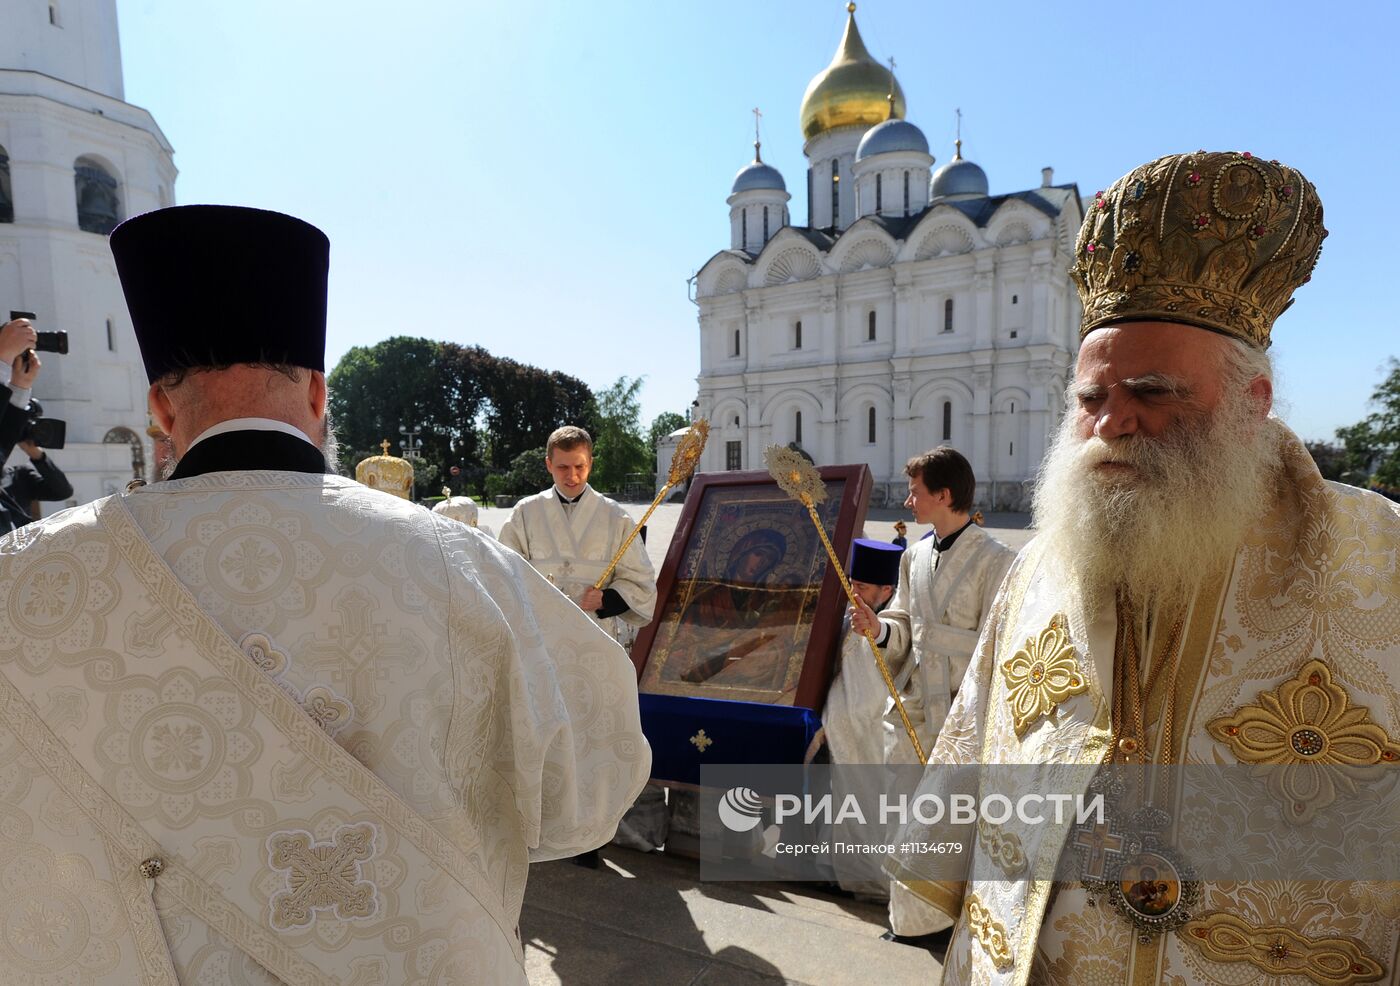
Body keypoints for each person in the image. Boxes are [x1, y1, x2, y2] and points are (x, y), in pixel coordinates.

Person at [0, 205, 650, 984]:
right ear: (317, 397)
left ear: (161, 410)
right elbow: (594, 788)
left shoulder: (25, 574)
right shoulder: (461, 563)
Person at [888, 152, 1400, 983]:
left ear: (1253, 400)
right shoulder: (1043, 564)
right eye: (1091, 399)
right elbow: (977, 740)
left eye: (1154, 392)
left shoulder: (1383, 563)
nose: (1112, 422)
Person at [849, 446, 1015, 939]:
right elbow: (903, 622)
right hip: (913, 704)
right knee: (902, 809)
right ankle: (908, 918)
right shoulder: (914, 556)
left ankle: (947, 920)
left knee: (949, 821)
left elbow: (1000, 645)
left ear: (943, 495)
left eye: (915, 492)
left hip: (962, 714)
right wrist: (878, 629)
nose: (907, 501)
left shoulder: (996, 560)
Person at [500, 426, 665, 856]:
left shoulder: (616, 518)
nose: (572, 476)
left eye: (579, 467)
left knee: (591, 738)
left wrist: (608, 597)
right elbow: (501, 570)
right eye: (562, 467)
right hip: (542, 647)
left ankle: (591, 835)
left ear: (590, 463)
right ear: (548, 465)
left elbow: (643, 585)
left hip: (594, 646)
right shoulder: (524, 514)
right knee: (544, 735)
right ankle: (540, 823)